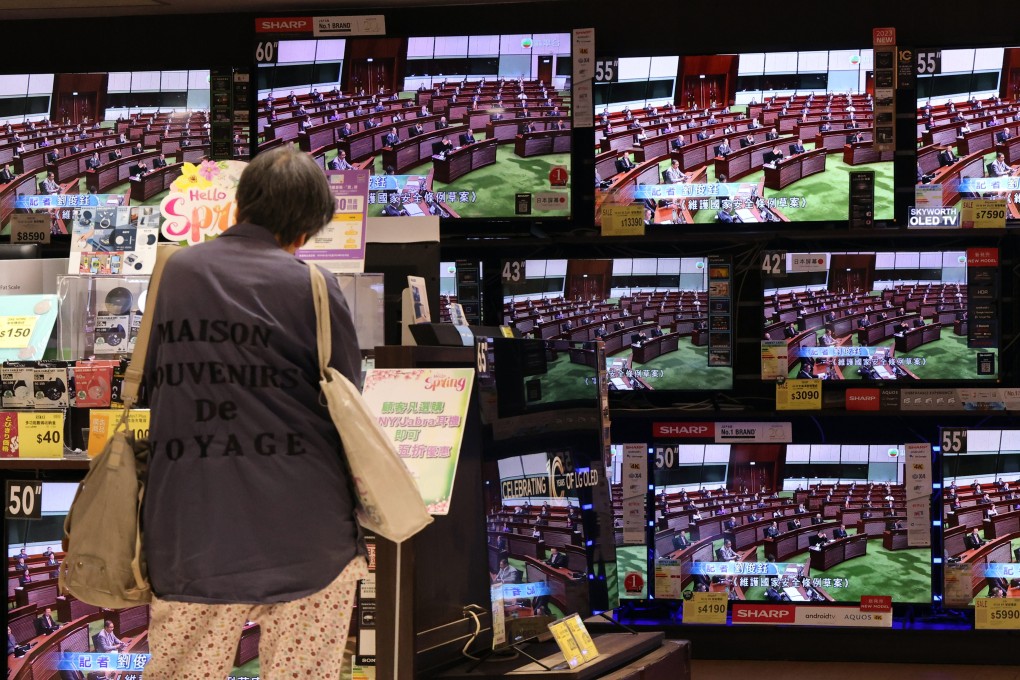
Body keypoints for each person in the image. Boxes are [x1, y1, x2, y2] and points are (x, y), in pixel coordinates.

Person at [140, 146, 368, 678]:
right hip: (309, 538)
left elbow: (152, 383)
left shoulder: (175, 273)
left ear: (240, 206)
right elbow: (348, 399)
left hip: (191, 534)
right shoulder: (314, 285)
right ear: (307, 227)